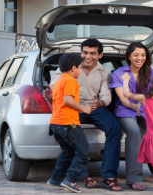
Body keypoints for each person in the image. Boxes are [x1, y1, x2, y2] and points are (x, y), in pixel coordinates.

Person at [45, 39, 123, 191]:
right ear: (81, 52)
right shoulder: (68, 67)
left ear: (100, 55)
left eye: (93, 53)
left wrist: (99, 103)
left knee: (115, 129)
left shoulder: (105, 72)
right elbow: (55, 87)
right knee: (74, 138)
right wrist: (50, 94)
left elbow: (107, 96)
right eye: (85, 52)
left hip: (94, 107)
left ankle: (109, 176)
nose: (88, 56)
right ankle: (84, 176)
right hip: (73, 107)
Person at [109, 42, 153, 190]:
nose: (140, 58)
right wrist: (134, 106)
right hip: (125, 110)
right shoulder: (119, 73)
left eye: (143, 55)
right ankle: (134, 178)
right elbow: (123, 99)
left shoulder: (151, 73)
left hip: (146, 110)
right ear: (129, 56)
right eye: (136, 55)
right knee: (134, 132)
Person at [47, 53, 92, 193]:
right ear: (73, 68)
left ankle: (55, 179)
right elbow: (68, 100)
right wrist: (83, 108)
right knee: (83, 152)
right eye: (80, 68)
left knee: (67, 152)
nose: (81, 70)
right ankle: (70, 180)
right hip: (69, 124)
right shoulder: (71, 81)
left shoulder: (59, 81)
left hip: (56, 123)